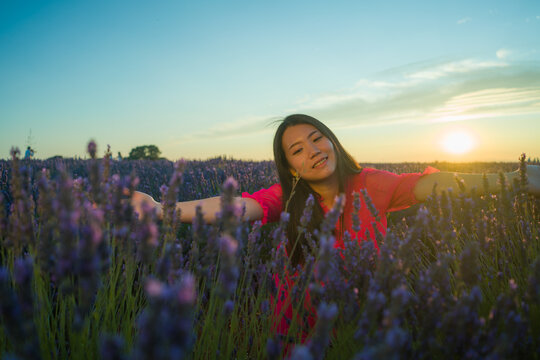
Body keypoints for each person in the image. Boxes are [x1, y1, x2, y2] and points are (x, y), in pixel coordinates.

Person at [130, 114, 540, 334]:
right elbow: (234, 207)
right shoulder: (286, 197)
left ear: (332, 141)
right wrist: (161, 207)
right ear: (289, 167)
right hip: (295, 329)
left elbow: (437, 185)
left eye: (316, 138)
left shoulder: (373, 185)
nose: (312, 150)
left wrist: (516, 179)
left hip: (361, 322)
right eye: (297, 149)